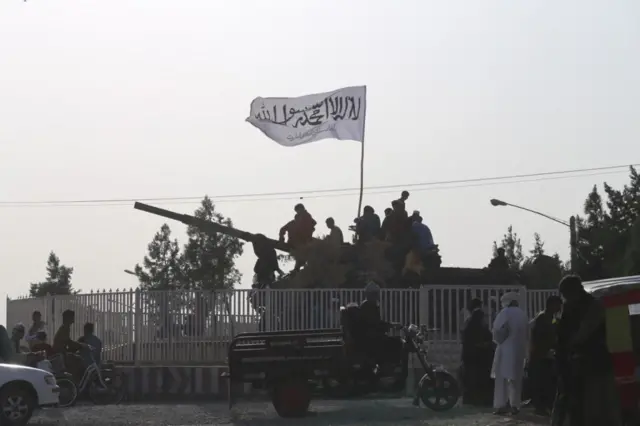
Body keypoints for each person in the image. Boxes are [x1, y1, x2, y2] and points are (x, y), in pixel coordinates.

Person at [553, 275, 622, 426]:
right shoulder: (570, 308)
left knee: (597, 411)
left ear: (574, 292)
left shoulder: (593, 306)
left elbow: (582, 334)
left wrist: (569, 346)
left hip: (595, 366)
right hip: (576, 368)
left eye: (566, 294)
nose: (564, 299)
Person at [491, 292, 528, 415]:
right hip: (519, 350)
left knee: (502, 378)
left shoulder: (504, 313)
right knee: (516, 378)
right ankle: (515, 405)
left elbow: (496, 332)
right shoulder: (522, 314)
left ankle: (501, 405)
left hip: (505, 349)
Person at [358, 282, 404, 372]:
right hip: (371, 337)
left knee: (394, 341)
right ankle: (388, 367)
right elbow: (374, 323)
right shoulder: (368, 306)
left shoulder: (368, 305)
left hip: (370, 336)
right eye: (375, 294)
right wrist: (390, 325)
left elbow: (376, 322)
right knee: (397, 342)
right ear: (370, 294)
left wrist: (389, 325)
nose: (377, 296)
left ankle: (386, 366)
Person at [529, 295, 563, 416]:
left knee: (548, 382)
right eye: (558, 305)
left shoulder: (551, 318)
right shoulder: (542, 318)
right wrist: (545, 351)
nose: (559, 307)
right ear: (551, 305)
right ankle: (540, 407)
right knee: (542, 382)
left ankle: (545, 406)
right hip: (541, 355)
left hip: (547, 355)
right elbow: (538, 338)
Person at [461, 298, 494, 406]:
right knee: (478, 378)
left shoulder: (469, 321)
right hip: (477, 355)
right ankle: (479, 400)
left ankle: (470, 399)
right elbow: (482, 337)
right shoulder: (477, 320)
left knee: (471, 378)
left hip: (470, 355)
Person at [53, 310, 90, 380]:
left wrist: (79, 345)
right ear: (68, 318)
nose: (73, 319)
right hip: (60, 354)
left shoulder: (65, 327)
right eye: (72, 317)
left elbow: (68, 342)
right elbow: (68, 342)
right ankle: (76, 382)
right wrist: (81, 345)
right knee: (79, 361)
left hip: (62, 353)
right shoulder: (64, 328)